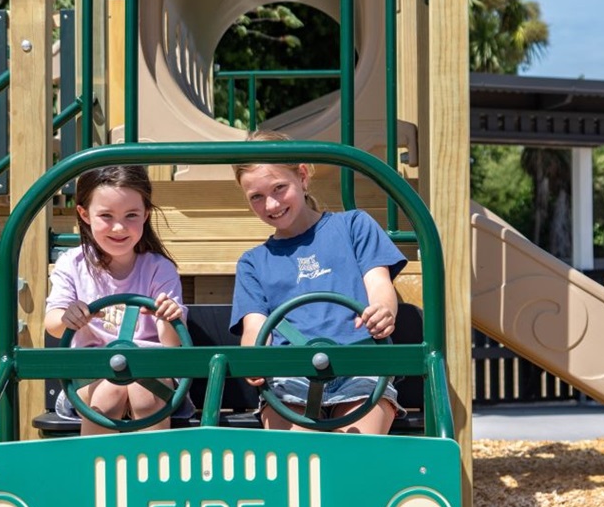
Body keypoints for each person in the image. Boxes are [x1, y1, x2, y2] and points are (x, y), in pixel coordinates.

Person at [229, 130, 409, 433]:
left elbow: (379, 285)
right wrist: (254, 356)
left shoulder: (353, 226)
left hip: (359, 364)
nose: (271, 205)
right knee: (297, 458)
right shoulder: (253, 262)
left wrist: (382, 311)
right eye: (257, 197)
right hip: (291, 372)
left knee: (355, 451)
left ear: (302, 176)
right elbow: (255, 327)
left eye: (279, 189)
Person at [44, 164, 192, 435]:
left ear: (146, 214)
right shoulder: (72, 264)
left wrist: (168, 318)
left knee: (143, 393)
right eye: (106, 216)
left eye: (131, 215)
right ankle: (98, 472)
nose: (119, 227)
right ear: (84, 214)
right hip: (91, 370)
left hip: (152, 368)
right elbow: (53, 323)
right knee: (109, 393)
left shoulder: (159, 268)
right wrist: (68, 317)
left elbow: (172, 343)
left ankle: (150, 472)